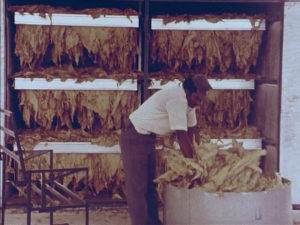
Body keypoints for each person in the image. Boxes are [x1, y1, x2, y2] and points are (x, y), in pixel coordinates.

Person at [120, 74, 213, 225]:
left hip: (148, 138)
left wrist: (200, 157)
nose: (199, 103)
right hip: (134, 136)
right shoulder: (178, 99)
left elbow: (193, 132)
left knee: (151, 186)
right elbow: (182, 135)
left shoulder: (190, 104)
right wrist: (192, 166)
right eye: (197, 98)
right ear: (188, 91)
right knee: (138, 189)